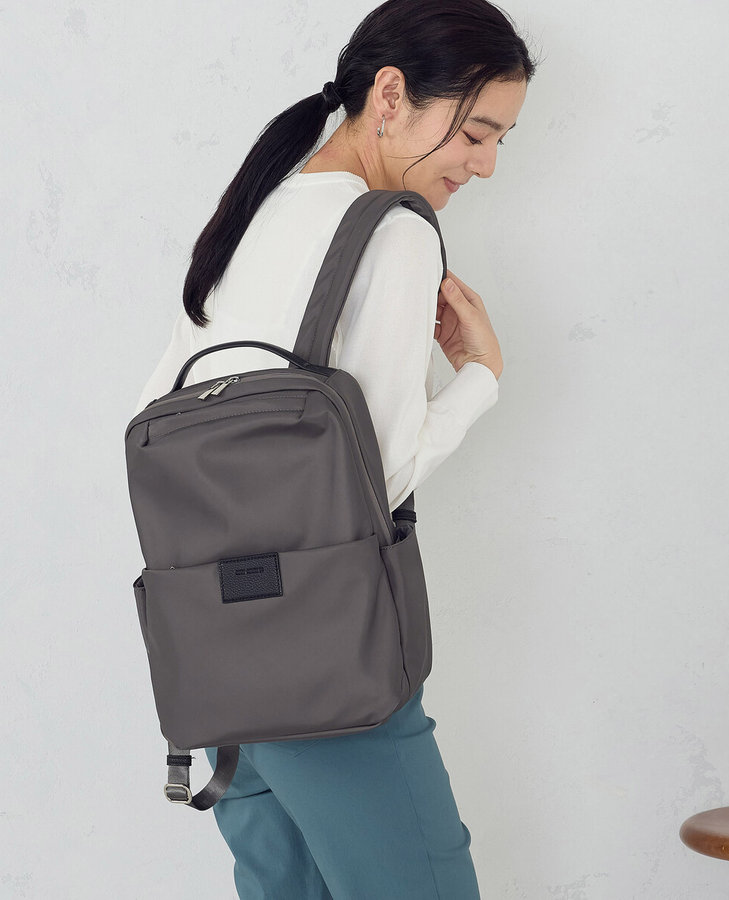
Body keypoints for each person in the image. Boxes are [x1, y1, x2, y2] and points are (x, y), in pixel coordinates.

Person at [132, 1, 537, 895]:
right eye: (476, 133)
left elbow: (160, 412)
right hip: (329, 669)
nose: (486, 164)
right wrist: (481, 376)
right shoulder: (392, 230)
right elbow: (373, 481)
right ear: (390, 95)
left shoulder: (254, 211)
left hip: (219, 671)